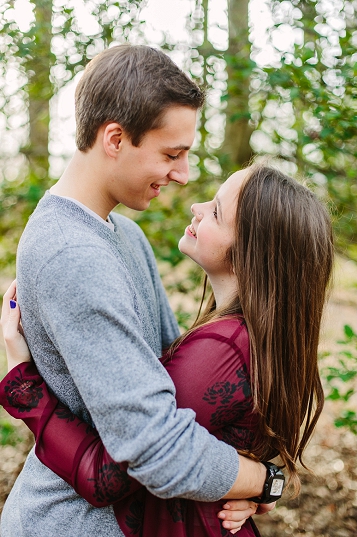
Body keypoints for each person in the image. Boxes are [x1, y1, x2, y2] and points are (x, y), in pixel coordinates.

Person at [0, 44, 268, 535]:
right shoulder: (71, 255)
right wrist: (260, 479)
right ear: (115, 139)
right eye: (171, 154)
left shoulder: (126, 235)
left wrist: (232, 481)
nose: (184, 176)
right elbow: (155, 448)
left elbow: (183, 400)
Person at [1, 164, 334, 536]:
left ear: (248, 256)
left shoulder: (221, 349)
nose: (197, 206)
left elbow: (107, 476)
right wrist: (262, 480)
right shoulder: (252, 338)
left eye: (216, 212)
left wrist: (23, 381)